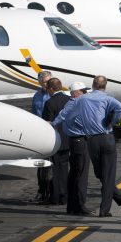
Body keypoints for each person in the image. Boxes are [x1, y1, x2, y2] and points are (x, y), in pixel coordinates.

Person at [77, 75, 121, 217]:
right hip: (107, 137)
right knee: (107, 175)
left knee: (101, 174)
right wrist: (112, 121)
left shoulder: (83, 99)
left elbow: (70, 113)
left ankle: (107, 207)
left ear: (93, 85)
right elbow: (120, 107)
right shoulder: (107, 98)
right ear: (105, 86)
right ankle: (118, 199)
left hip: (92, 140)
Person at [52, 81, 93, 216]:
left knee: (74, 174)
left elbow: (61, 116)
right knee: (81, 175)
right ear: (76, 93)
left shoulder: (71, 103)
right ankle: (80, 205)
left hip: (75, 141)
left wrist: (52, 123)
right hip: (80, 141)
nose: (85, 93)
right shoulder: (76, 103)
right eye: (83, 91)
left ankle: (72, 205)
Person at [42, 77, 70, 205]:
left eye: (47, 88)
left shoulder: (50, 103)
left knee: (54, 169)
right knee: (64, 169)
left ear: (52, 89)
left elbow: (46, 123)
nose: (46, 90)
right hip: (68, 138)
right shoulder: (68, 100)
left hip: (55, 140)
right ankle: (64, 196)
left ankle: (55, 196)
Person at [32, 70, 52, 203]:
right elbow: (33, 114)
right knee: (41, 164)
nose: (47, 84)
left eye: (49, 81)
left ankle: (51, 191)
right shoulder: (36, 96)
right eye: (45, 82)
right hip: (40, 133)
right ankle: (41, 190)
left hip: (53, 131)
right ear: (40, 82)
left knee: (52, 164)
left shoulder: (54, 95)